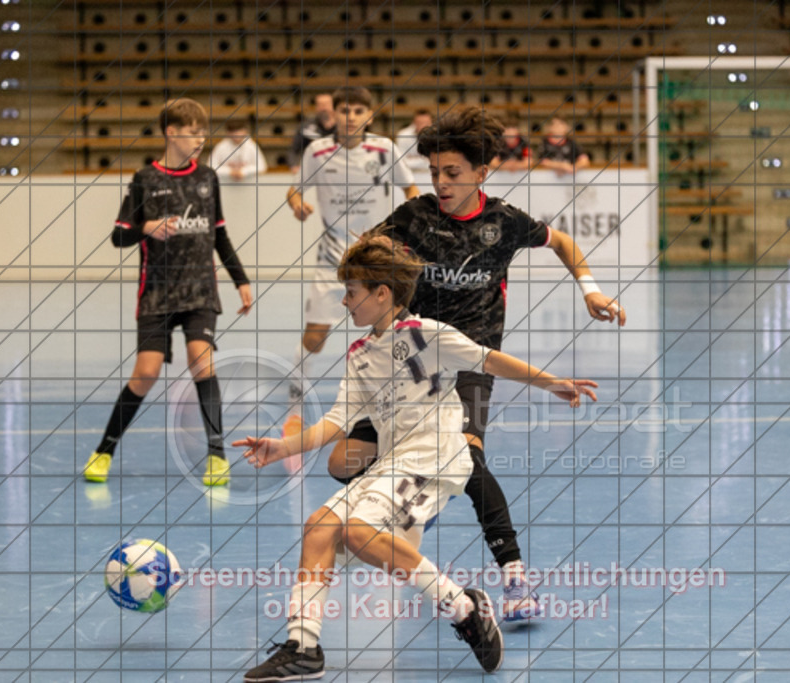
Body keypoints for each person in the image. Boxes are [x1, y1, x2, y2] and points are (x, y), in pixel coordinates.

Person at [234, 236, 598, 681]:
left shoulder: (427, 334)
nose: (345, 302)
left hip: (437, 457)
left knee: (358, 530)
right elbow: (338, 418)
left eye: (351, 293)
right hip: (394, 462)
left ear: (381, 293)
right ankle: (304, 648)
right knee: (319, 528)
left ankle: (463, 610)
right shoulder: (359, 355)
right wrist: (282, 448)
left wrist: (552, 383)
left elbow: (489, 360)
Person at [327, 106, 626, 621]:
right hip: (410, 362)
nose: (440, 183)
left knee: (470, 460)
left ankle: (515, 580)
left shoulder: (504, 222)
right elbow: (363, 254)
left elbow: (565, 243)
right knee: (342, 462)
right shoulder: (414, 217)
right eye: (435, 173)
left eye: (453, 174)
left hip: (469, 363)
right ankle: (418, 490)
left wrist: (591, 291)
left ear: (481, 174)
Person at [82, 98, 253, 487]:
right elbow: (118, 236)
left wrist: (240, 279)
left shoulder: (208, 178)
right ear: (171, 133)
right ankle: (103, 451)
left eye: (203, 132)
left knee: (201, 362)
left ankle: (216, 456)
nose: (200, 139)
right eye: (193, 132)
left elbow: (219, 234)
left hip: (200, 291)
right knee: (145, 373)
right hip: (157, 294)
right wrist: (147, 226)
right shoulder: (145, 180)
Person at [284, 85, 419, 445]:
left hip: (376, 258)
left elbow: (411, 190)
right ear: (335, 115)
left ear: (369, 116)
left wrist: (405, 229)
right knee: (315, 335)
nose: (351, 117)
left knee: (397, 332)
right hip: (332, 258)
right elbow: (294, 190)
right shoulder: (318, 151)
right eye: (345, 110)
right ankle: (294, 410)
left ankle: (405, 407)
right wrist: (297, 205)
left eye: (359, 111)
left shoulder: (384, 149)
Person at [288, 93, 337, 174]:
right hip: (314, 170)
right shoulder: (306, 128)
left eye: (326, 104)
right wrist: (293, 166)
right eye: (320, 105)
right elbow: (293, 150)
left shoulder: (344, 126)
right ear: (316, 107)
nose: (323, 108)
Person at [395, 108, 435, 174]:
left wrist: (414, 160)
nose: (423, 126)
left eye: (427, 123)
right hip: (410, 174)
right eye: (420, 123)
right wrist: (424, 160)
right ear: (414, 123)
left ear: (431, 123)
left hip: (431, 174)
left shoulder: (439, 135)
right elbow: (401, 163)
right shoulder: (403, 135)